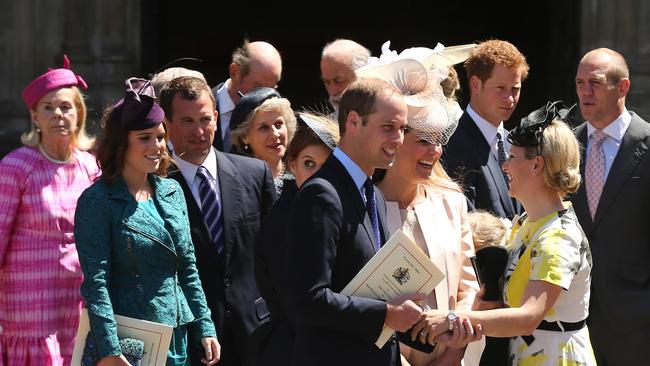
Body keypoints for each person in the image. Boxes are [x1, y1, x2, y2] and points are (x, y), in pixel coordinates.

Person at [413, 102, 597, 366]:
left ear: (536, 166)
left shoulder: (559, 236)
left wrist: (451, 318)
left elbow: (528, 317)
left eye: (512, 157)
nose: (505, 166)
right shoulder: (526, 223)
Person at [74, 77, 219, 365]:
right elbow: (96, 283)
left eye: (161, 136)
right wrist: (109, 349)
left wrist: (205, 325)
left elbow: (188, 268)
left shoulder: (171, 190)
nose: (158, 146)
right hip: (129, 341)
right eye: (145, 138)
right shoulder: (97, 201)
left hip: (178, 337)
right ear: (121, 143)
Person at [284, 78, 427, 366]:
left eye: (402, 129)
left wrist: (425, 328)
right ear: (353, 121)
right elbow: (307, 300)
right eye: (388, 128)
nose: (397, 140)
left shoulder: (370, 190)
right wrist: (387, 314)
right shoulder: (322, 195)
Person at [159, 76, 277, 366]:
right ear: (166, 123)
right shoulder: (156, 185)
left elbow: (277, 253)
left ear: (215, 118)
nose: (198, 131)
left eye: (204, 119)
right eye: (186, 121)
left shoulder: (254, 173)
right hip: (191, 338)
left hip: (257, 333)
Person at [371, 61, 483, 366]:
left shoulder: (451, 201)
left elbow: (468, 287)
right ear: (395, 141)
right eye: (424, 141)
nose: (436, 151)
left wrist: (453, 350)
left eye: (439, 141)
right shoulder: (363, 206)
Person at [0, 55, 99, 365]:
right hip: (29, 305)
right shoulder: (16, 166)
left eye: (66, 107)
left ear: (79, 114)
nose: (58, 114)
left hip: (76, 298)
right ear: (35, 117)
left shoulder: (90, 166)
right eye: (48, 107)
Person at [570, 48, 650, 366]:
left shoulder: (646, 143)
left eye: (595, 83)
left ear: (623, 87)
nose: (585, 92)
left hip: (636, 326)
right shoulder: (566, 147)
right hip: (574, 320)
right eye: (579, 82)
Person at [249, 112, 339, 366]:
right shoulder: (282, 220)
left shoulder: (337, 207)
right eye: (309, 164)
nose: (319, 176)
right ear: (292, 164)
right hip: (297, 348)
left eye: (327, 166)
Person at [443, 39, 529, 221]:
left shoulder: (516, 143)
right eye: (500, 88)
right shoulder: (451, 143)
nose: (510, 99)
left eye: (515, 89)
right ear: (475, 84)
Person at [212, 40, 283, 152]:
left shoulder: (278, 122)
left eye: (271, 89)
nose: (264, 97)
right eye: (257, 88)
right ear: (235, 72)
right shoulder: (199, 108)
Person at [228, 87, 296, 191]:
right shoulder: (234, 184)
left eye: (278, 124)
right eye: (264, 128)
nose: (275, 134)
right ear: (244, 137)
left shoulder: (301, 174)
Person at [320, 39, 371, 117]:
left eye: (339, 81)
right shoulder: (323, 127)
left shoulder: (389, 115)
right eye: (327, 82)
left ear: (364, 76)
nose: (333, 91)